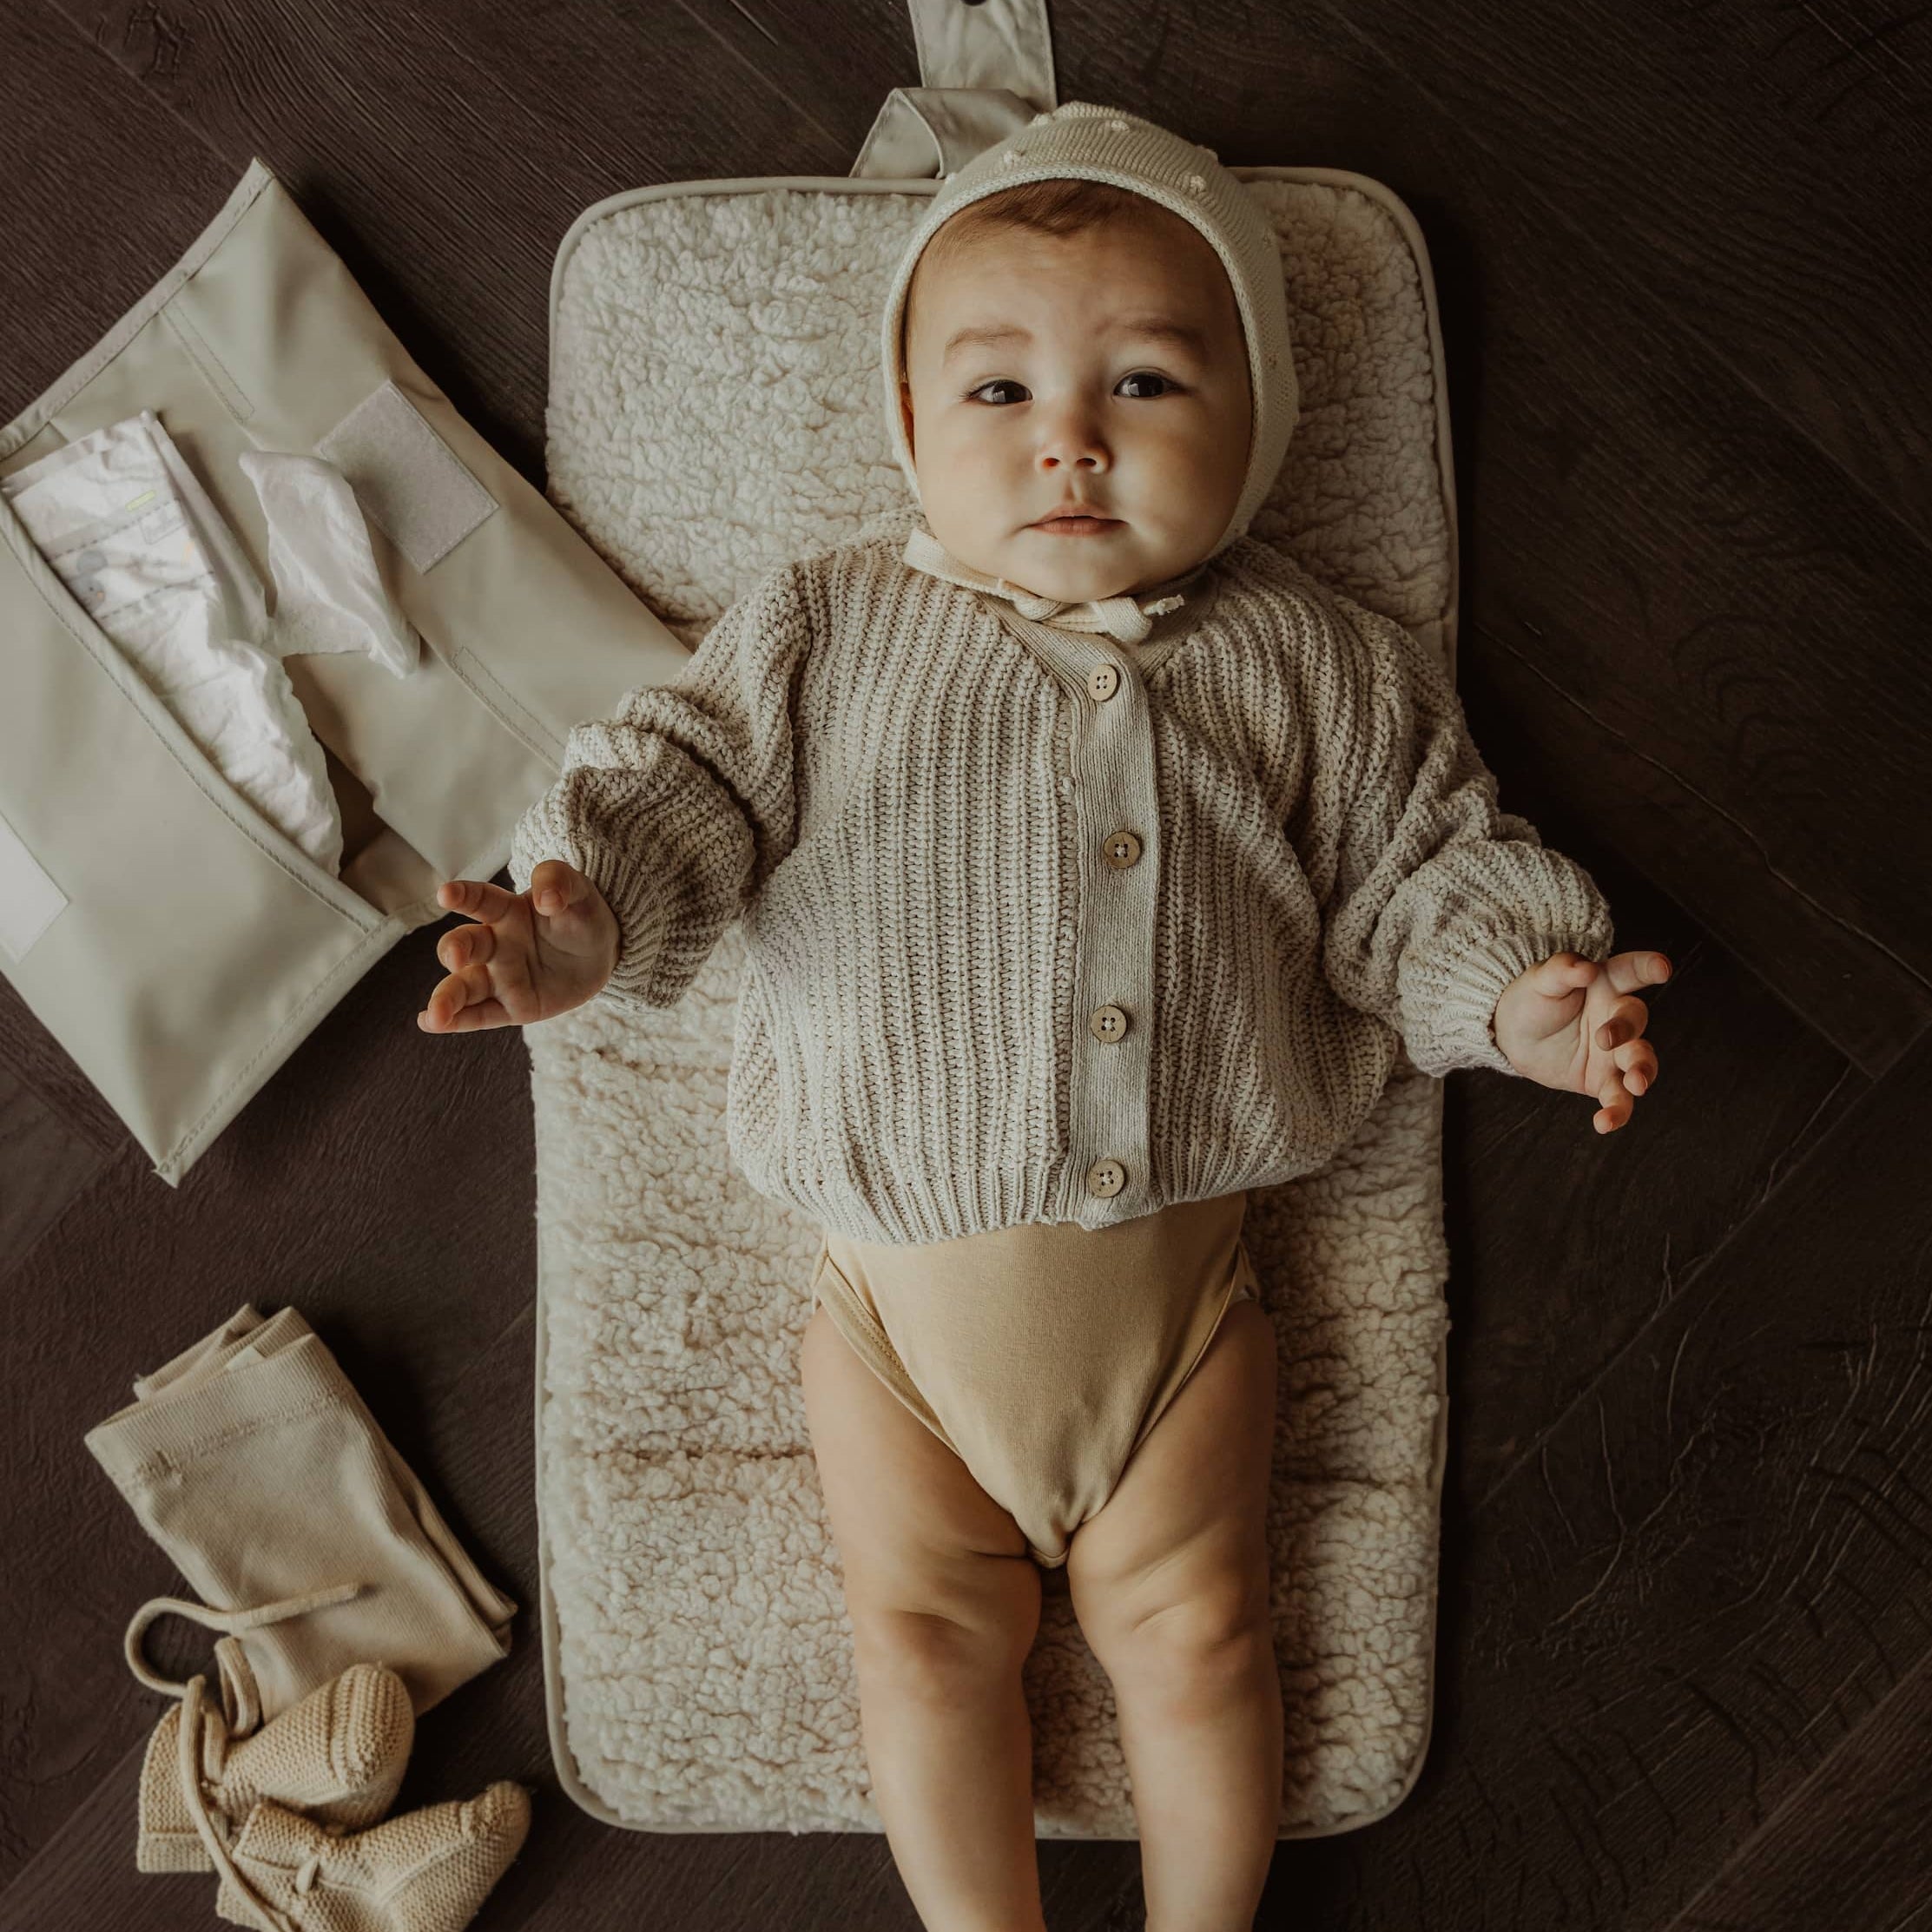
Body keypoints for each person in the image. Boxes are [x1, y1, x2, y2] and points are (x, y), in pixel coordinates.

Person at [417, 102, 1669, 1932]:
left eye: (1146, 382)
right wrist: (579, 920)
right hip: (890, 1321)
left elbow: (1422, 874)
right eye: (997, 391)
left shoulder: (1315, 661)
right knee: (921, 1641)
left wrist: (1525, 1001)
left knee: (1204, 1629)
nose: (1070, 438)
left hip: (1187, 1311)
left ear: (1259, 425)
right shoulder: (826, 631)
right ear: (908, 424)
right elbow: (682, 786)